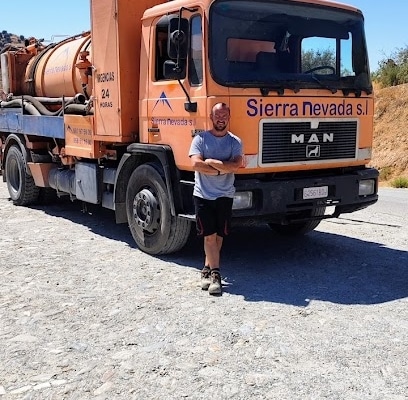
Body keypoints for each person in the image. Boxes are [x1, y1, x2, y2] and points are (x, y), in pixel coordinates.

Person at [188, 103, 243, 295]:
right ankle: (216, 276)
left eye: (224, 116)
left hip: (225, 195)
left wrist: (211, 162)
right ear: (211, 118)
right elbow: (196, 164)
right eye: (217, 116)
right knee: (209, 236)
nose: (221, 119)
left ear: (229, 117)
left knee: (219, 237)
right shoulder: (200, 139)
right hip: (203, 194)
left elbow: (237, 165)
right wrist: (223, 167)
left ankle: (206, 269)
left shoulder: (235, 141)